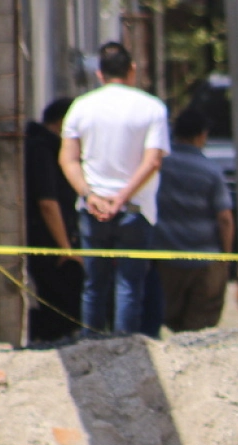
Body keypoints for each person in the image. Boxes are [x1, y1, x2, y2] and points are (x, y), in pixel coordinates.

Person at [58, 41, 171, 336]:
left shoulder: (81, 107)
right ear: (132, 70)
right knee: (129, 285)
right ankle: (124, 350)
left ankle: (91, 345)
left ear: (99, 73)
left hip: (93, 208)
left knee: (94, 285)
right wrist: (122, 197)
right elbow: (153, 161)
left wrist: (89, 195)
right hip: (134, 209)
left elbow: (68, 159)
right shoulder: (151, 108)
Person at [150, 108, 234, 333]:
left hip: (166, 260)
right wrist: (226, 258)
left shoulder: (159, 167)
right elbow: (224, 218)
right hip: (204, 262)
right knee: (199, 330)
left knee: (168, 322)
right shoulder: (210, 170)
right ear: (202, 136)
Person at [25, 97, 83, 343]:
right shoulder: (42, 149)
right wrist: (66, 248)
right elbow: (48, 203)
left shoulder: (45, 146)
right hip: (51, 244)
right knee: (59, 309)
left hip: (55, 241)